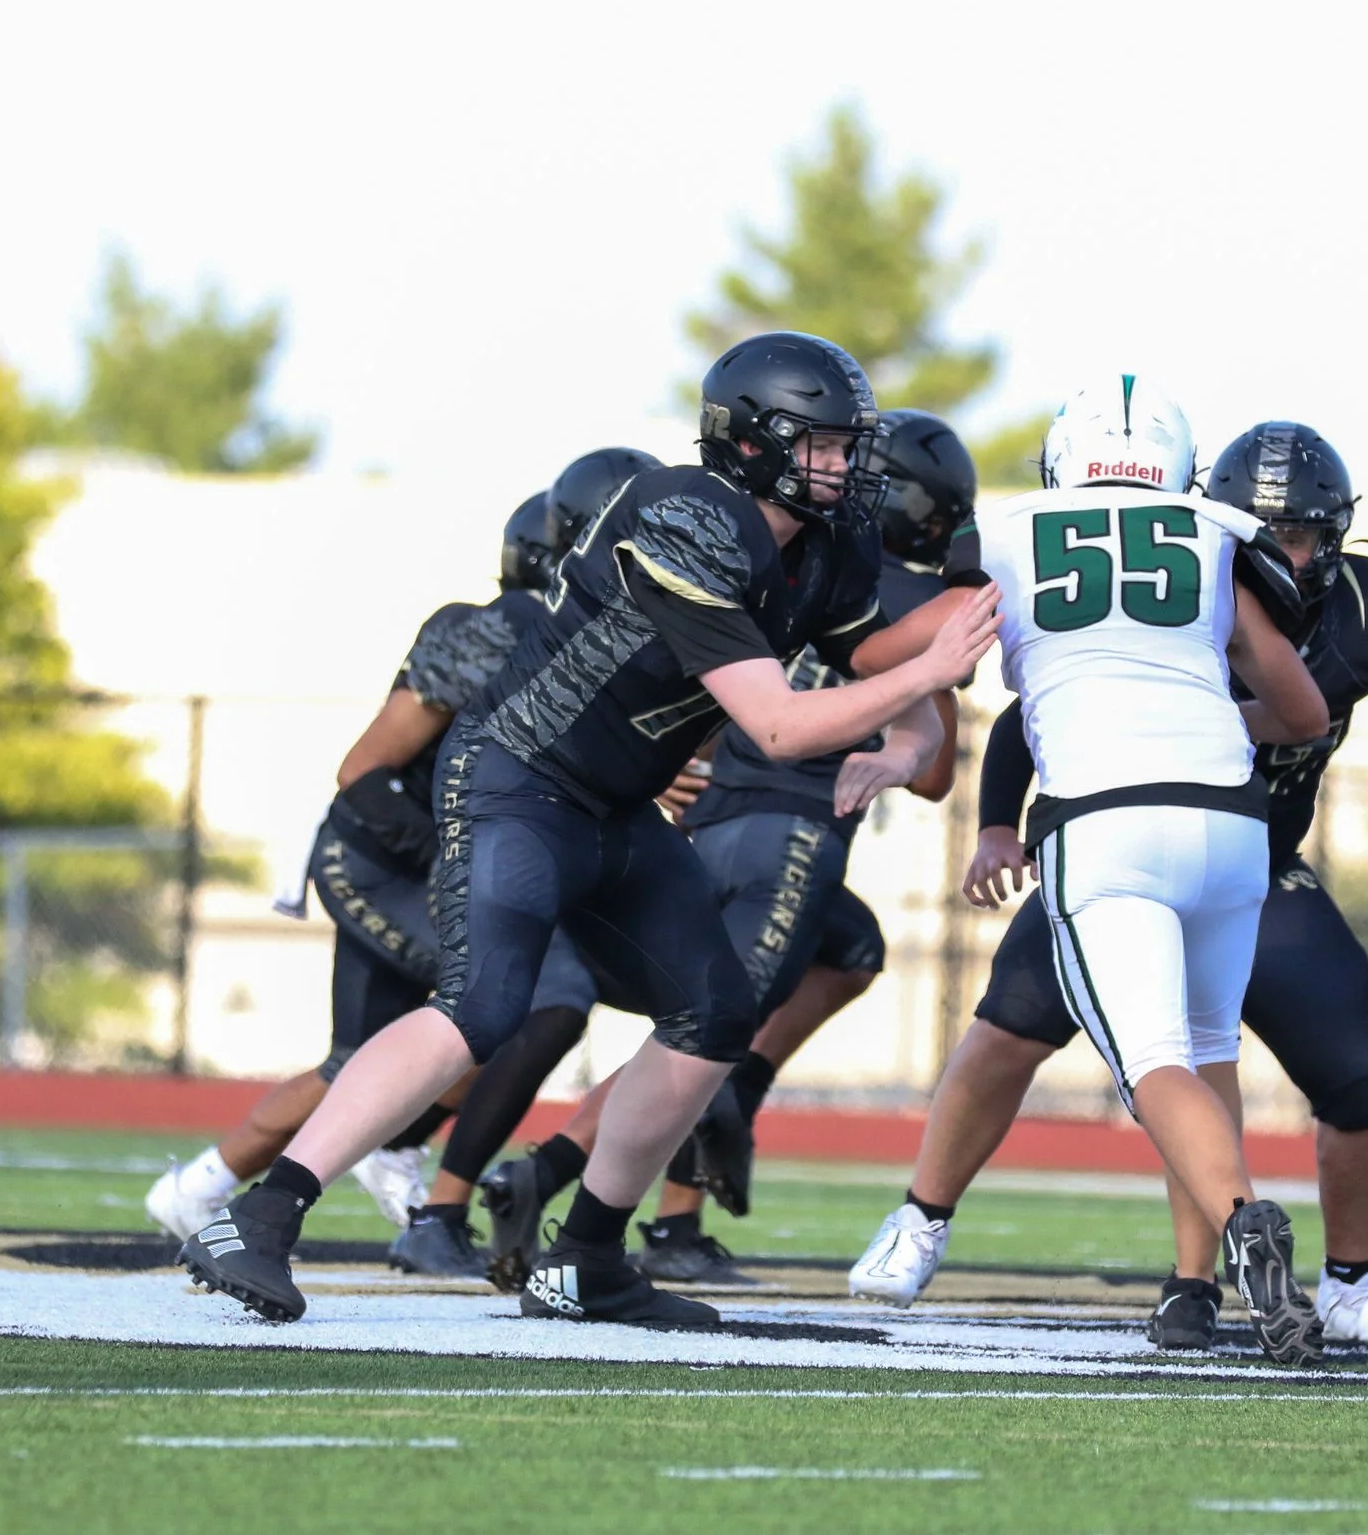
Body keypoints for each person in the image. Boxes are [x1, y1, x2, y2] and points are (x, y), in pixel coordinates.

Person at [178, 331, 995, 1326]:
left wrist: (956, 649)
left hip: (617, 805)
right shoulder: (687, 516)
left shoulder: (821, 546)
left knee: (714, 1015)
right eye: (822, 443)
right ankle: (260, 1215)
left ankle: (587, 1258)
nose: (845, 463)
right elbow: (781, 724)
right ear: (752, 442)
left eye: (847, 444)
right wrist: (931, 670)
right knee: (484, 1006)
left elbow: (875, 651)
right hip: (519, 777)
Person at [851, 421, 1368, 1351]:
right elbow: (1033, 713)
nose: (1288, 554)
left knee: (1356, 1077)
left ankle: (1346, 1281)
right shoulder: (1178, 580)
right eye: (1268, 533)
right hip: (1123, 842)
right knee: (1010, 1031)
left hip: (1256, 865)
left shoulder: (1364, 607)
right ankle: (926, 1219)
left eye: (1304, 535)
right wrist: (998, 821)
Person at [472, 411, 979, 1290]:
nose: (841, 471)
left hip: (714, 820)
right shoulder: (888, 596)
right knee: (712, 1027)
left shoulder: (797, 565)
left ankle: (724, 1105)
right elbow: (930, 765)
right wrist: (933, 666)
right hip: (793, 827)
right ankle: (598, 1191)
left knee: (851, 949)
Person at [144, 454, 657, 1283]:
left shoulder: (604, 641)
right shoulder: (501, 629)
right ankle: (401, 1150)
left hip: (434, 859)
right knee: (522, 997)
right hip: (382, 859)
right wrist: (465, 855)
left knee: (355, 1061)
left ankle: (201, 1185)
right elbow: (363, 770)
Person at [916, 375, 1334, 1366]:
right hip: (1232, 819)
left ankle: (1241, 1224)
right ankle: (1198, 1279)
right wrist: (1202, 717)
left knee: (1151, 1063)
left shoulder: (1004, 533)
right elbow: (1304, 714)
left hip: (1105, 817)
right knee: (1207, 1047)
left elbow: (921, 656)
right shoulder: (1219, 535)